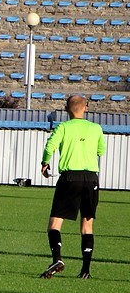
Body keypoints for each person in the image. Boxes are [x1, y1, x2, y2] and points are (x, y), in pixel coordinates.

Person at [39, 95, 106, 279]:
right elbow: (101, 151)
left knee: (55, 224)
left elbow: (50, 147)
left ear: (66, 109)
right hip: (91, 179)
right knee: (87, 224)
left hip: (69, 178)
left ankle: (57, 259)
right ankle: (85, 270)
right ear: (86, 107)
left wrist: (45, 163)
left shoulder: (63, 127)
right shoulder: (96, 128)